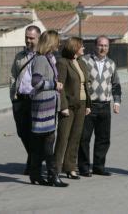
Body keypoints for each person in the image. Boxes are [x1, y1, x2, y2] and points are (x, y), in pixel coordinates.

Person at [78, 35, 121, 177]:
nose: (103, 48)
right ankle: (83, 167)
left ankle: (98, 166)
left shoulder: (111, 64)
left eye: (106, 46)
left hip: (104, 106)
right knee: (84, 138)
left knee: (103, 138)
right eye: (100, 45)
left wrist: (116, 101)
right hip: (89, 106)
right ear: (95, 46)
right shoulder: (84, 61)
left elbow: (115, 84)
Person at [30, 30, 68, 187]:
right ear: (51, 42)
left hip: (48, 107)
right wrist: (54, 84)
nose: (59, 44)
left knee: (43, 143)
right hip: (43, 109)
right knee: (47, 143)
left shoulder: (48, 58)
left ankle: (37, 175)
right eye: (57, 41)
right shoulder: (40, 59)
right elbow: (36, 82)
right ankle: (52, 176)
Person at [54, 37, 91, 180]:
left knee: (75, 138)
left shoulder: (81, 63)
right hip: (68, 106)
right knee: (63, 137)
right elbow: (60, 87)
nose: (84, 49)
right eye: (81, 46)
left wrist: (87, 104)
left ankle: (70, 168)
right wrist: (63, 106)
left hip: (81, 104)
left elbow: (85, 85)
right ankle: (55, 168)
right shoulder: (62, 63)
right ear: (74, 47)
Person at [10, 25, 41, 175]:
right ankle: (34, 158)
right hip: (20, 100)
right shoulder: (20, 56)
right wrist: (13, 96)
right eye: (26, 37)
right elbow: (13, 76)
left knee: (34, 133)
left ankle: (32, 164)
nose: (28, 40)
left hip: (36, 101)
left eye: (31, 38)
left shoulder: (44, 56)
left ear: (39, 38)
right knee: (22, 133)